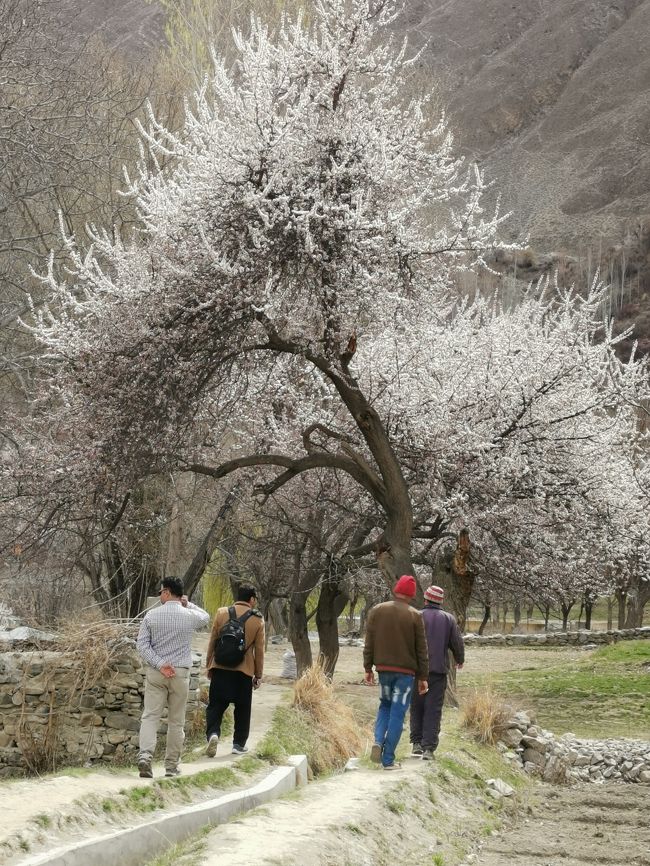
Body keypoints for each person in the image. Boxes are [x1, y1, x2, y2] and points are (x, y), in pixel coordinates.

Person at [136, 577, 210, 778]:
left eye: (161, 591)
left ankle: (145, 756)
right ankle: (171, 766)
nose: (160, 595)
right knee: (176, 721)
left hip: (157, 673)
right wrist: (189, 603)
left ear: (167, 592)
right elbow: (205, 617)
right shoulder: (189, 616)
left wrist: (160, 664)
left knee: (151, 715)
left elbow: (142, 645)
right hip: (180, 673)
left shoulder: (151, 616)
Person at [363, 574, 429, 770]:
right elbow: (421, 650)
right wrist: (423, 677)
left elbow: (369, 642)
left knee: (384, 705)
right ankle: (388, 759)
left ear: (396, 590)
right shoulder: (415, 615)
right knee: (398, 713)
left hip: (383, 671)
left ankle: (377, 740)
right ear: (411, 594)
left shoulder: (377, 610)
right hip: (405, 675)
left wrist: (368, 668)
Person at [205, 584, 265, 757]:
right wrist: (258, 675)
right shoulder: (257, 620)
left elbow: (213, 641)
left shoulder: (222, 612)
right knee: (243, 708)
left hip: (220, 668)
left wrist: (210, 665)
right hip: (243, 672)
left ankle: (213, 734)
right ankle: (238, 744)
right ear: (251, 599)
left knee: (215, 706)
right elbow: (259, 651)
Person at [410, 584, 465, 760]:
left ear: (426, 599)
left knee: (416, 706)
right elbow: (456, 642)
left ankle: (416, 743)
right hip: (438, 671)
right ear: (440, 602)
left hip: (416, 671)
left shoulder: (416, 616)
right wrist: (460, 658)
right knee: (433, 708)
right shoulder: (448, 619)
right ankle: (428, 749)